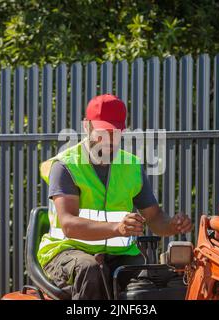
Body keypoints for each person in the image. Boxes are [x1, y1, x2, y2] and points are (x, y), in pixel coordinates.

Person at [37, 93, 193, 299]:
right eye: (101, 132)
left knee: (153, 281)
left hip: (119, 256)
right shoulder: (66, 166)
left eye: (114, 132)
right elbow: (69, 225)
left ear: (123, 131)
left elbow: (154, 218)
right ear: (87, 127)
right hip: (66, 252)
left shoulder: (131, 167)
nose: (108, 139)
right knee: (90, 270)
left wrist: (172, 225)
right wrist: (117, 229)